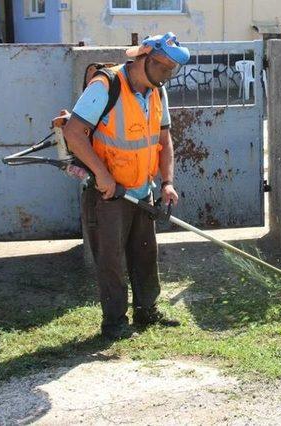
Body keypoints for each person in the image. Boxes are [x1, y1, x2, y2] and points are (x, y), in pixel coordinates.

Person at [63, 33, 190, 340]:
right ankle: (115, 323)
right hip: (107, 194)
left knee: (145, 253)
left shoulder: (158, 92)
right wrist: (103, 175)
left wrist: (168, 182)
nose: (166, 76)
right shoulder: (105, 87)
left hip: (141, 188)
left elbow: (164, 140)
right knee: (110, 259)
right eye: (163, 68)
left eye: (172, 70)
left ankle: (147, 312)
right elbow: (73, 133)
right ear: (142, 59)